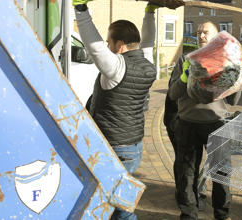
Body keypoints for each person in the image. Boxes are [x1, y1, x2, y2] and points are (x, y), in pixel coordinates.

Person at [72, 1, 159, 219]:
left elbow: (94, 46)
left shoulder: (117, 68)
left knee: (118, 207)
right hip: (134, 146)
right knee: (120, 199)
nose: (107, 46)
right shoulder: (148, 64)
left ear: (119, 45)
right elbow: (148, 42)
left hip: (114, 149)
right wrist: (150, 13)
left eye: (109, 42)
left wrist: (80, 9)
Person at [168, 21, 240, 220]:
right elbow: (173, 94)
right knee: (186, 174)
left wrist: (236, 78)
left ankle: (222, 215)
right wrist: (184, 77)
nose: (201, 36)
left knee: (221, 174)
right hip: (188, 123)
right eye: (199, 32)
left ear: (216, 37)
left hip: (217, 124)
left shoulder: (224, 61)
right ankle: (189, 214)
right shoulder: (185, 59)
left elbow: (234, 100)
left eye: (205, 32)